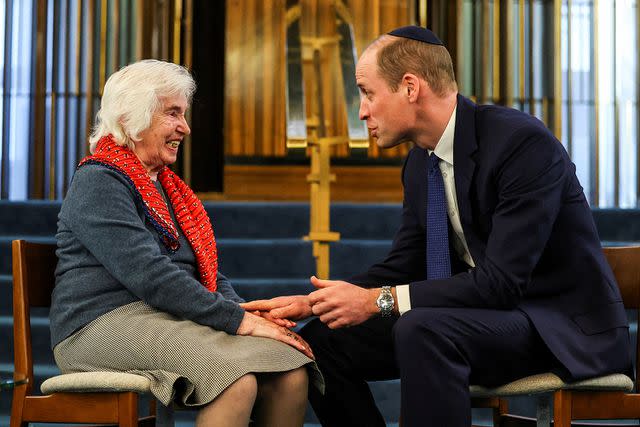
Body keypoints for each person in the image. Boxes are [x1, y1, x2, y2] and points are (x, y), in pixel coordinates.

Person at [241, 26, 633, 426]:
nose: (361, 111)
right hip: (479, 321)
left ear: (410, 87)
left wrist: (377, 301)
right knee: (323, 342)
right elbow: (404, 265)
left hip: (556, 326)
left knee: (423, 328)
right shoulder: (419, 163)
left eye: (368, 92)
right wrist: (315, 305)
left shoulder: (520, 143)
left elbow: (502, 283)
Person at [50, 59, 321, 427]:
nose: (185, 127)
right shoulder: (99, 180)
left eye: (184, 113)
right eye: (173, 113)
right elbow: (151, 276)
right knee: (234, 380)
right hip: (97, 325)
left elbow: (202, 270)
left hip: (162, 315)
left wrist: (244, 309)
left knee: (289, 372)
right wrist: (236, 320)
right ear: (132, 118)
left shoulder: (168, 188)